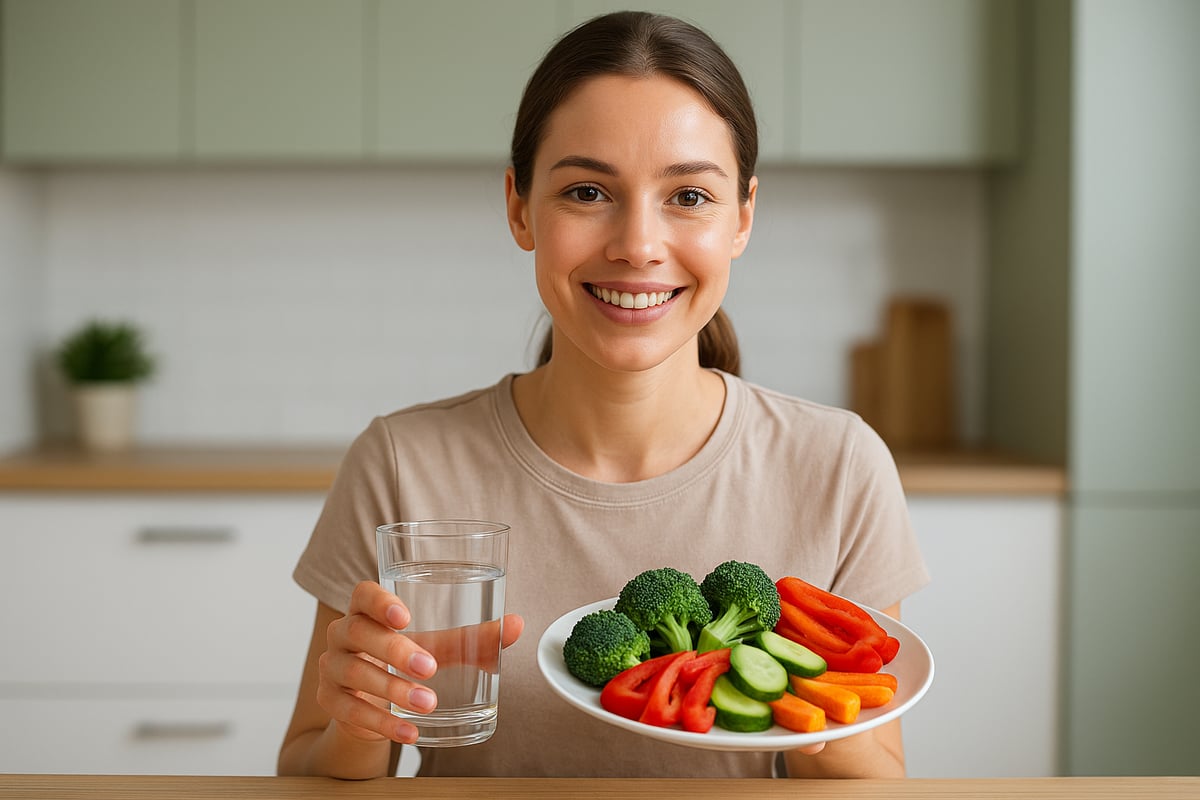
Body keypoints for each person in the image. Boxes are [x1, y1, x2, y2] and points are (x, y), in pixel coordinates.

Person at [278, 10, 928, 780]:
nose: (637, 245)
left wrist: (817, 699)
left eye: (688, 197)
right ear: (520, 207)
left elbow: (875, 780)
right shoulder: (403, 461)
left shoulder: (837, 464)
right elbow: (312, 771)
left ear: (743, 217)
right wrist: (361, 717)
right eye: (588, 191)